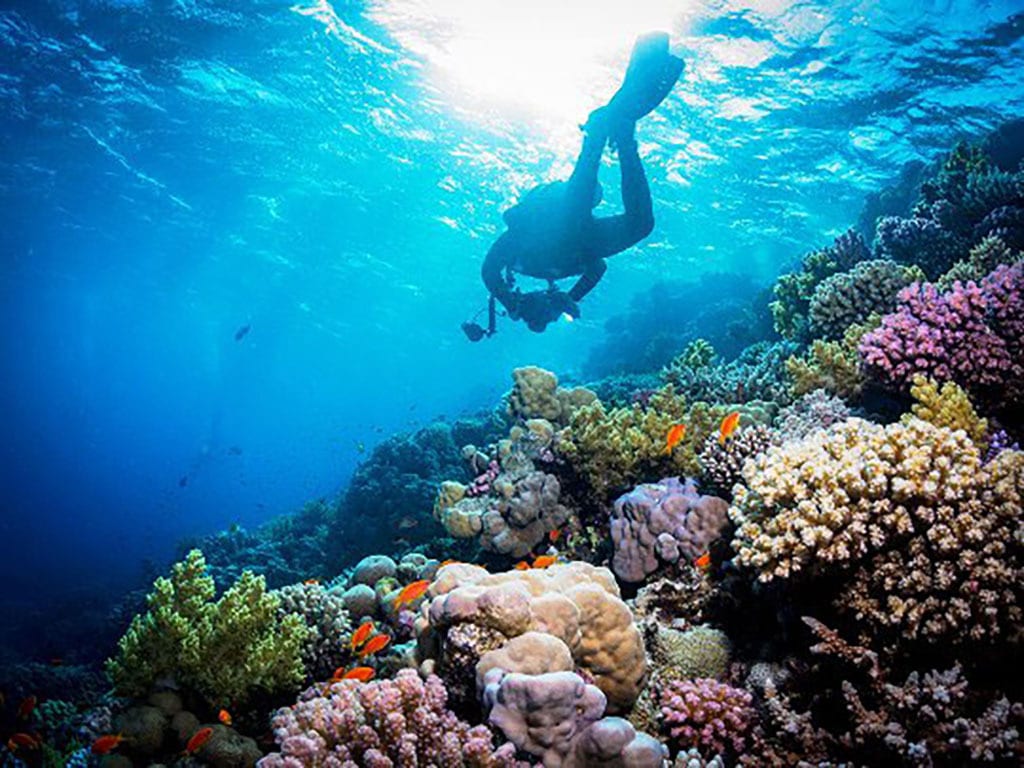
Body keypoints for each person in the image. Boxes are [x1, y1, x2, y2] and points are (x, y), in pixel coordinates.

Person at [463, 32, 684, 340]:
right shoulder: (561, 277)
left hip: (560, 219)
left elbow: (488, 270)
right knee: (641, 225)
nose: (544, 311)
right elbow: (598, 268)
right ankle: (624, 137)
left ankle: (596, 135)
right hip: (586, 238)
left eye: (536, 313)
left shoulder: (519, 261)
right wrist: (571, 298)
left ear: (527, 300)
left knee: (575, 207)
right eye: (548, 317)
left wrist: (509, 301)